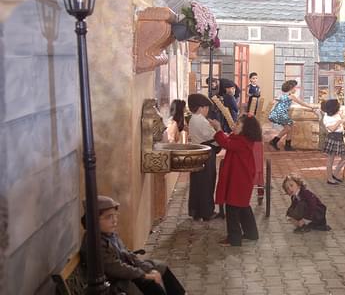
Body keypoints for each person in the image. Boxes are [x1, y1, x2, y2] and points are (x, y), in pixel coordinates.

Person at [80, 196, 186, 295]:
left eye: (115, 215)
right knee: (150, 282)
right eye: (108, 217)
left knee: (160, 267)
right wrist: (144, 275)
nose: (114, 220)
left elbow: (128, 254)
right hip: (114, 282)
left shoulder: (110, 234)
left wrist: (147, 268)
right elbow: (116, 268)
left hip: (126, 273)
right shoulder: (94, 243)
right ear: (93, 221)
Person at [209, 114, 262, 247]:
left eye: (238, 124)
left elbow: (226, 143)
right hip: (240, 179)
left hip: (239, 180)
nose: (234, 126)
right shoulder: (241, 139)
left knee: (232, 208)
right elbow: (228, 141)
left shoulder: (242, 141)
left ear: (246, 128)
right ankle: (251, 233)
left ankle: (234, 238)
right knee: (243, 206)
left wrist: (219, 129)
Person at [187, 93, 219, 221]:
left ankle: (196, 211)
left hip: (197, 153)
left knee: (197, 183)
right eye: (206, 108)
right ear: (200, 107)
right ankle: (207, 212)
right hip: (206, 154)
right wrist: (218, 129)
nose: (207, 111)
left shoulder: (192, 119)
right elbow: (214, 138)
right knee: (207, 183)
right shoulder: (201, 120)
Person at [268, 79, 317, 151]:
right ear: (291, 88)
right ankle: (274, 141)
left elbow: (275, 101)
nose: (296, 89)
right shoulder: (291, 96)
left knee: (290, 127)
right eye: (295, 87)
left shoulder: (282, 95)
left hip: (277, 113)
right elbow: (301, 103)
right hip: (280, 114)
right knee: (288, 128)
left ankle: (287, 145)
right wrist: (311, 107)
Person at [321, 99, 345, 185]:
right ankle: (330, 178)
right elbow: (331, 129)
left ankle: (334, 174)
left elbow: (342, 124)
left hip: (339, 137)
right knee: (330, 160)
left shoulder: (337, 114)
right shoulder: (326, 117)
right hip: (333, 138)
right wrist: (340, 121)